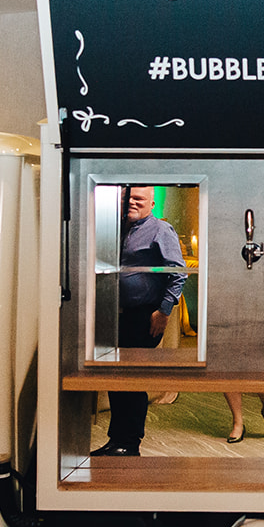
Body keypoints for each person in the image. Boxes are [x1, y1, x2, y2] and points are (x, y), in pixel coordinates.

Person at [92, 185, 187, 457]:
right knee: (115, 377)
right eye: (128, 197)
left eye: (139, 199)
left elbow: (178, 273)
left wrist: (164, 312)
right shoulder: (119, 228)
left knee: (131, 381)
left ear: (152, 203)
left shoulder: (160, 230)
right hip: (116, 314)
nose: (132, 202)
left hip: (144, 317)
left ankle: (130, 443)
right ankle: (116, 440)